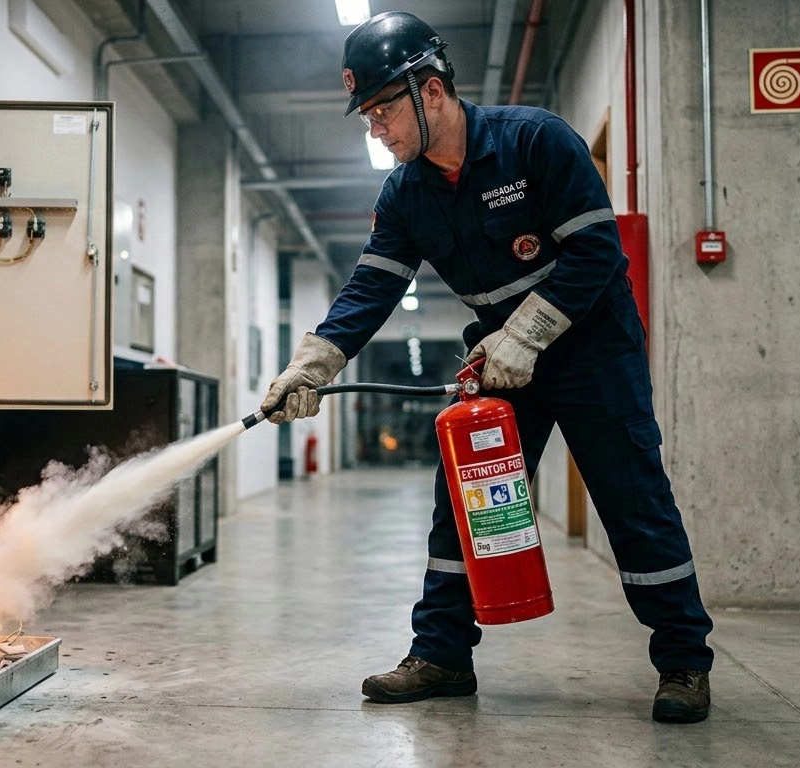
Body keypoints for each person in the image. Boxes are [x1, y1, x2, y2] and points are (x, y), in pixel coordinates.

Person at [260, 11, 714, 724]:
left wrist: (528, 332)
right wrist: (314, 363)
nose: (375, 127)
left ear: (431, 90)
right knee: (466, 505)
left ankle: (684, 660)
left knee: (633, 498)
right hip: (501, 362)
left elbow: (598, 254)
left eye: (383, 108)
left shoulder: (536, 142)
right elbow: (371, 287)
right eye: (369, 114)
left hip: (594, 350)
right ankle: (442, 654)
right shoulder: (406, 193)